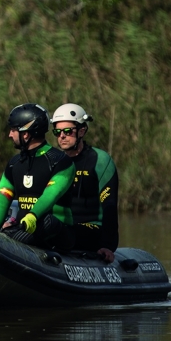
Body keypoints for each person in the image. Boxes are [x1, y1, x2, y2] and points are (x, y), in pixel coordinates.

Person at [0, 103, 76, 251]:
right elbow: (1, 200)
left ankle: (11, 238)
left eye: (13, 130)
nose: (10, 134)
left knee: (47, 220)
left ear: (26, 134)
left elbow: (51, 194)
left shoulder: (60, 161)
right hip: (24, 229)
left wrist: (33, 216)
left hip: (57, 231)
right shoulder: (14, 163)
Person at [51, 103, 119, 262]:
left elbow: (109, 205)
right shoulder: (52, 161)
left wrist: (107, 245)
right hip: (62, 225)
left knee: (57, 230)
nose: (62, 136)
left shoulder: (100, 160)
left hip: (92, 230)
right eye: (57, 132)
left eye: (67, 131)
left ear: (82, 131)